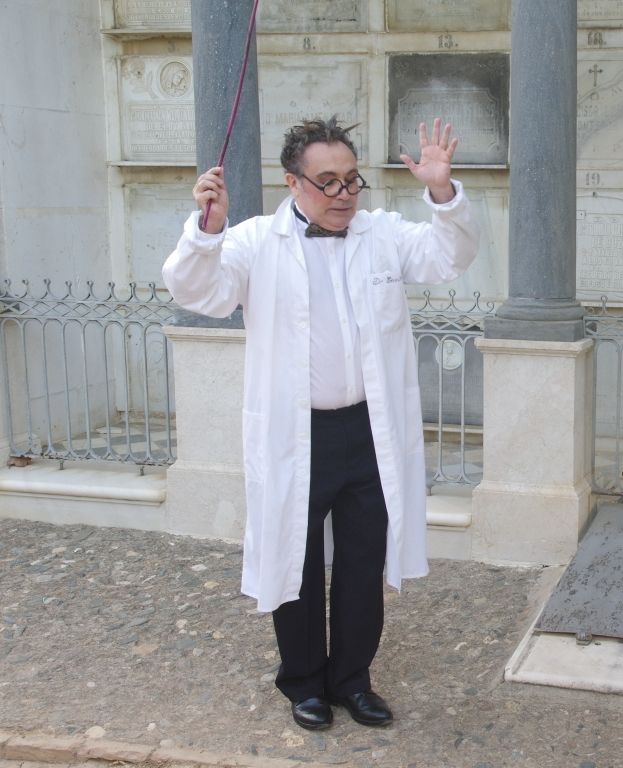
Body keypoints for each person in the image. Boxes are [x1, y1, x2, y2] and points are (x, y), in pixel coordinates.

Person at [162, 116, 479, 731]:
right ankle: (303, 681)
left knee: (363, 563)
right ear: (293, 183)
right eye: (327, 182)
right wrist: (206, 230)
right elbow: (199, 291)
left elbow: (449, 256)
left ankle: (353, 680)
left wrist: (442, 191)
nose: (342, 195)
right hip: (296, 433)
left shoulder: (382, 234)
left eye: (351, 181)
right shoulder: (255, 241)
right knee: (296, 560)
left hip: (367, 431)